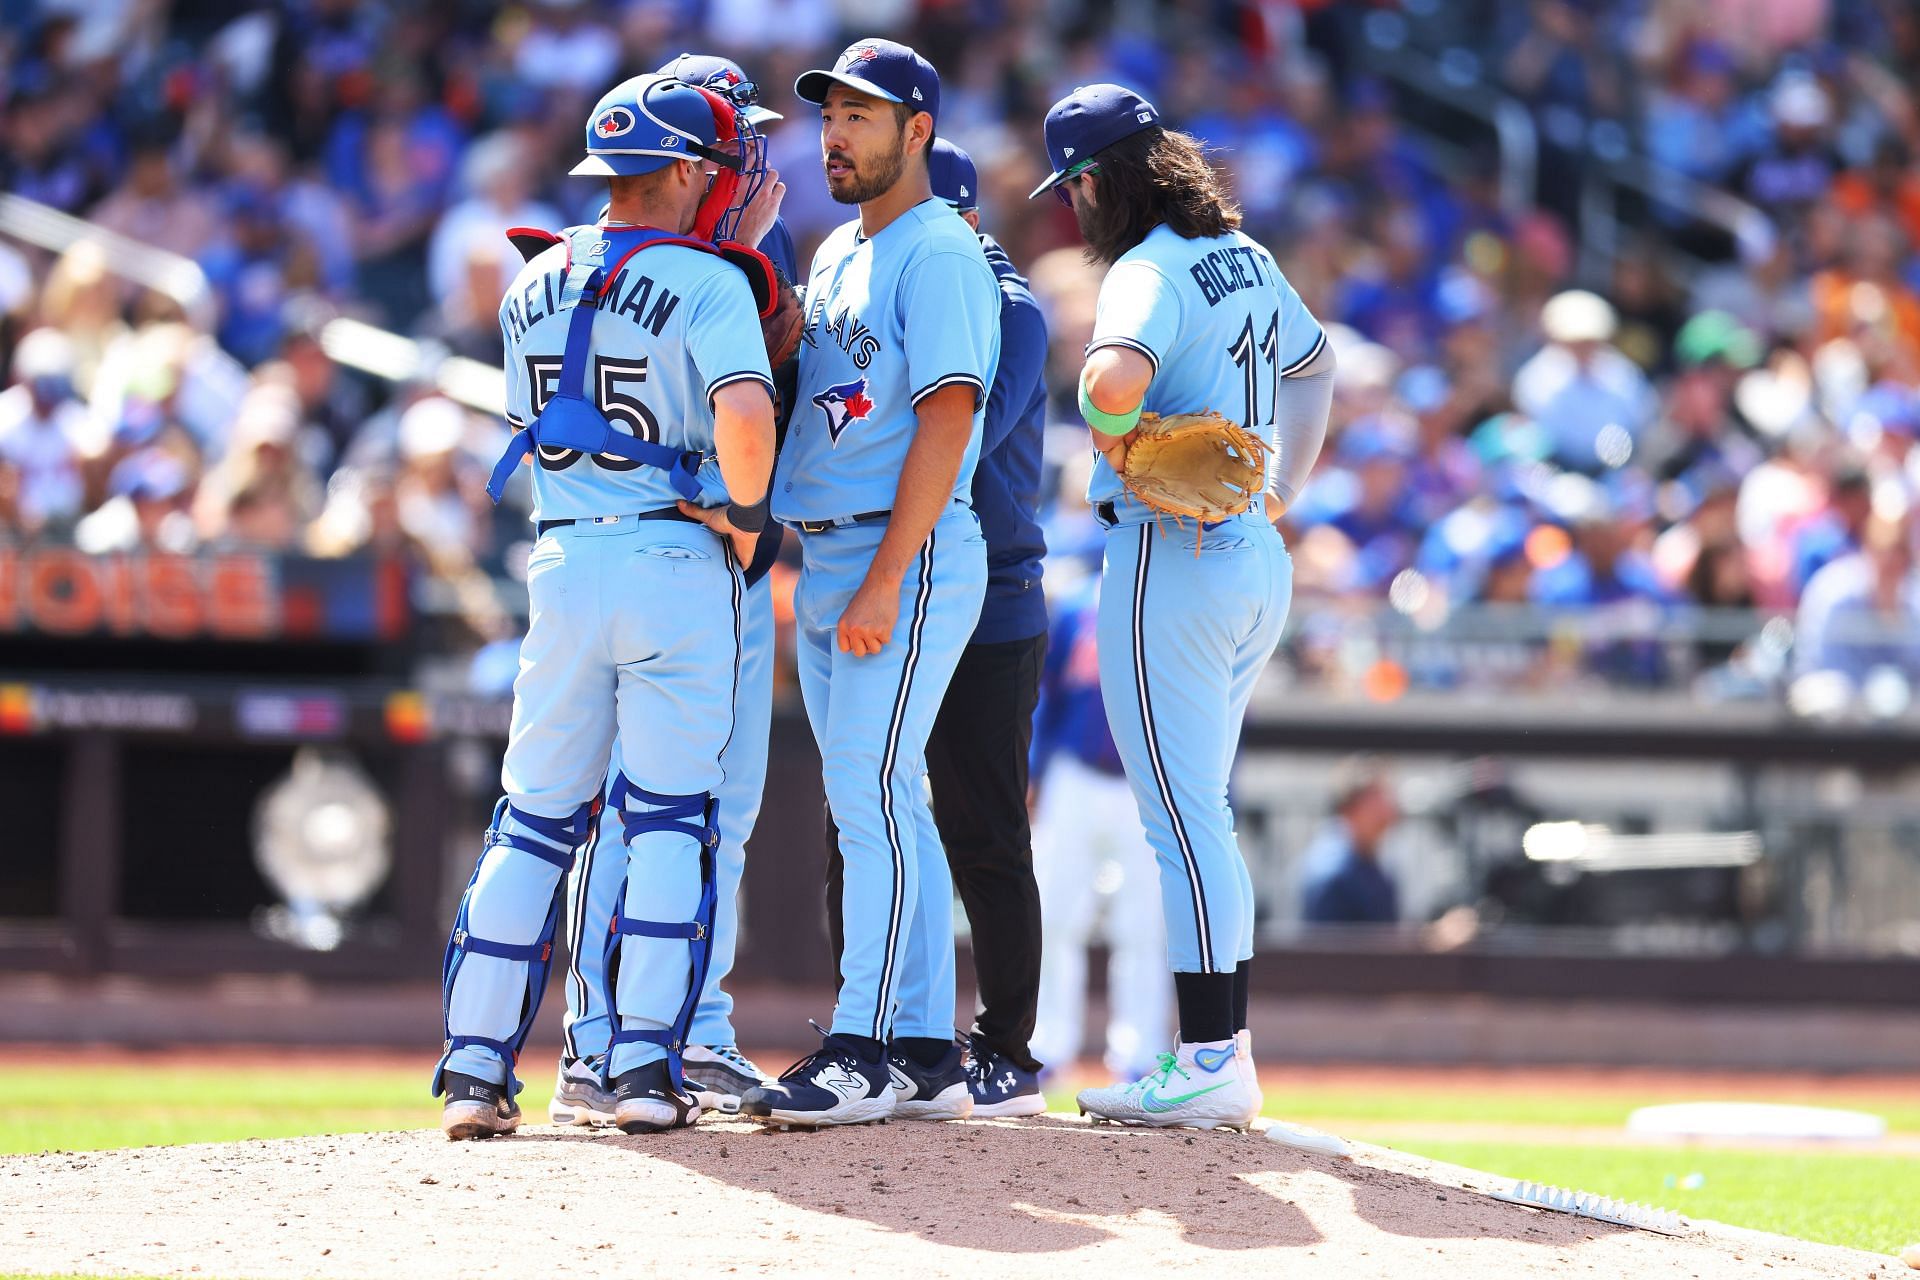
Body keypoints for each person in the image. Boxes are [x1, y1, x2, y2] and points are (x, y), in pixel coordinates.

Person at [433, 73, 777, 1140]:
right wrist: (747, 513)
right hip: (674, 558)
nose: (720, 183)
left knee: (533, 817)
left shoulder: (527, 276)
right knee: (672, 817)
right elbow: (747, 419)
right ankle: (638, 1069)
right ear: (680, 170)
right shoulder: (710, 279)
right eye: (712, 166)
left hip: (563, 558)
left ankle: (476, 1072)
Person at [1030, 84, 1333, 1130]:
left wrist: (1108, 425)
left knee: (1184, 814)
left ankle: (1210, 1053)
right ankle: (1215, 1047)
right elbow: (1317, 363)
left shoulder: (1147, 270)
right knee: (1201, 807)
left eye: (1073, 184)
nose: (1071, 207)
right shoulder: (1244, 255)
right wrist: (1283, 485)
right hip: (1252, 552)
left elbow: (1113, 382)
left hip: (1172, 555)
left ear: (1101, 178)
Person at [736, 39, 999, 1129]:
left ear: (919, 131)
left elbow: (948, 416)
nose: (836, 132)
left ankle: (862, 1047)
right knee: (892, 800)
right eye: (831, 114)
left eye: (863, 115)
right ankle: (929, 1047)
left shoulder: (938, 249)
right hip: (836, 546)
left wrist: (890, 574)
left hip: (909, 546)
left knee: (870, 792)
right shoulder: (845, 246)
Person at [544, 51, 799, 1127]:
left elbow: (781, 370)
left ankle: (664, 1033)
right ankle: (624, 1040)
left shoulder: (742, 242)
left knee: (696, 809)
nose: (751, 151)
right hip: (667, 542)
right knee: (645, 809)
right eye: (735, 132)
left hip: (658, 556)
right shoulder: (666, 252)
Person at [820, 138, 1051, 1118]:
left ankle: (1004, 1044)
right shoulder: (879, 270)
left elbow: (959, 436)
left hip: (985, 588)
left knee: (981, 826)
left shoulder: (1005, 300)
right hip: (909, 569)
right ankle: (893, 1030)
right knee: (866, 807)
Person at [1028, 564, 1173, 1086]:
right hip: (1075, 771)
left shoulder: (1171, 599)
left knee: (1143, 926)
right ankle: (1043, 1044)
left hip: (1145, 775)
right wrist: (1034, 773)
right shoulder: (1076, 603)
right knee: (1053, 916)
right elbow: (1047, 695)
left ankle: (1139, 1053)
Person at [1300, 759, 1402, 925]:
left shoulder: (1365, 857)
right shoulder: (1334, 874)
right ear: (1349, 806)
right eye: (1377, 797)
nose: (1388, 808)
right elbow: (1331, 947)